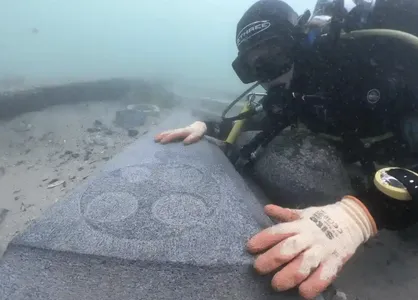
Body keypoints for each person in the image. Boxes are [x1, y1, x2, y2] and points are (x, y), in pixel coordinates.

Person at [155, 0, 418, 299]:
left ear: (300, 38)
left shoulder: (377, 61)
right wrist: (209, 126)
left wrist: (366, 212)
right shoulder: (295, 91)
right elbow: (266, 119)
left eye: (273, 54)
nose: (266, 73)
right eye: (254, 64)